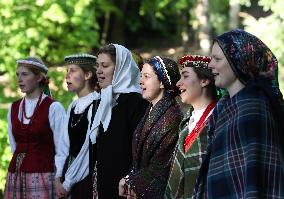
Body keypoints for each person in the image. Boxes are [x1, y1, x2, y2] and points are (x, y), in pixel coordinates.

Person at [193, 29, 284, 198]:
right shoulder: (223, 107)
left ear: (240, 62)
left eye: (217, 59)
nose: (210, 64)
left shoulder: (252, 106)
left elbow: (256, 179)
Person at [118, 56, 183, 198]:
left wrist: (132, 182)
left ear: (162, 82)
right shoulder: (150, 109)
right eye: (141, 76)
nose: (140, 81)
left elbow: (162, 165)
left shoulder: (172, 116)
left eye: (146, 76)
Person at [90, 44, 148, 199]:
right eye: (98, 66)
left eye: (105, 65)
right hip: (103, 184)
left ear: (121, 68)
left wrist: (131, 181)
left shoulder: (136, 102)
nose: (99, 71)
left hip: (125, 188)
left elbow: (140, 150)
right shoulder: (103, 101)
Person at [4, 57, 66, 199]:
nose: (19, 79)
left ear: (38, 77)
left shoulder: (54, 107)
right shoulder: (13, 108)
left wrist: (58, 176)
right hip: (16, 175)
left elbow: (62, 148)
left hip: (44, 175)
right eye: (17, 74)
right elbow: (14, 146)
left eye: (25, 74)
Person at [164, 55, 218, 199]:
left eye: (185, 76)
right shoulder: (186, 122)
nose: (178, 84)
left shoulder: (220, 121)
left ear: (204, 80)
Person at [54, 53, 99, 198]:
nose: (67, 76)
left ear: (87, 74)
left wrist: (68, 183)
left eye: (72, 71)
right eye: (67, 71)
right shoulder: (73, 105)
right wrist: (58, 176)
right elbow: (63, 145)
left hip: (86, 175)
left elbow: (88, 149)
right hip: (69, 172)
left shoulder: (96, 104)